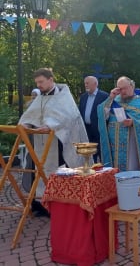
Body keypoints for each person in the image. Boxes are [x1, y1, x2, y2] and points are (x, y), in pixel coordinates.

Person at [19, 68, 88, 217]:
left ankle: (58, 206)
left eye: (41, 82)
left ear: (51, 80)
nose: (39, 85)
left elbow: (68, 117)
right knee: (39, 171)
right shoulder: (41, 97)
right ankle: (41, 205)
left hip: (58, 142)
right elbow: (32, 115)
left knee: (56, 173)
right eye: (37, 82)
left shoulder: (64, 97)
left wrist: (51, 125)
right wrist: (26, 124)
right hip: (40, 141)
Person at [98, 76, 140, 202]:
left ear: (132, 86)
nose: (122, 92)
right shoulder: (115, 100)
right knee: (120, 173)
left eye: (124, 88)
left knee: (134, 170)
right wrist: (110, 97)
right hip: (116, 148)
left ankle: (139, 197)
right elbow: (102, 115)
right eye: (119, 89)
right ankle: (121, 197)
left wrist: (134, 123)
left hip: (135, 147)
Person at [78, 76, 109, 162]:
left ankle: (104, 171)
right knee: (90, 154)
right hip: (87, 129)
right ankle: (92, 170)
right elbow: (80, 112)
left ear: (95, 84)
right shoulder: (83, 97)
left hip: (99, 129)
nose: (85, 85)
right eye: (85, 83)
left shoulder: (104, 96)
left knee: (101, 153)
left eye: (87, 83)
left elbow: (107, 113)